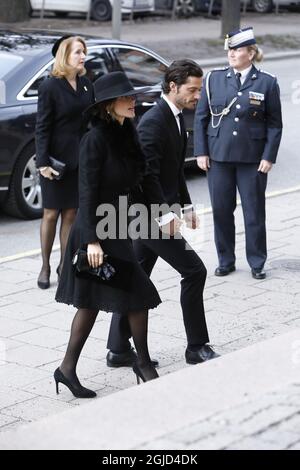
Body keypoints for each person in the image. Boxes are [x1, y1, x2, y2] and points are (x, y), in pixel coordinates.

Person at [55, 72, 161, 398]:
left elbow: (140, 179)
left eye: (132, 97)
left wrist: (162, 214)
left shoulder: (125, 131)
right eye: (127, 97)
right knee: (138, 295)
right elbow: (85, 192)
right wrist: (90, 241)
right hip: (96, 232)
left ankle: (66, 370)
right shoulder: (95, 139)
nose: (134, 101)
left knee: (91, 304)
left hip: (115, 226)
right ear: (108, 105)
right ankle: (142, 365)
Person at [107, 60, 219, 369]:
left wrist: (185, 205)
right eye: (192, 90)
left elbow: (173, 170)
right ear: (173, 86)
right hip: (148, 217)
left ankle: (117, 349)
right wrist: (165, 216)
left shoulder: (176, 116)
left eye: (199, 89)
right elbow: (146, 175)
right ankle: (196, 347)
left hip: (157, 214)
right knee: (195, 272)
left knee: (135, 276)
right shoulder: (155, 121)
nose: (198, 95)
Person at [194, 27, 282, 280]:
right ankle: (226, 260)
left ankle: (256, 262)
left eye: (237, 49)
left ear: (251, 53)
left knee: (254, 213)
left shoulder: (267, 82)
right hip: (219, 157)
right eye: (230, 49)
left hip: (252, 160)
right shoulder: (214, 79)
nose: (231, 54)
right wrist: (201, 151)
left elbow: (274, 124)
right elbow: (201, 118)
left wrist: (268, 156)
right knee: (221, 211)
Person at [35, 35, 94, 289]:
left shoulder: (86, 84)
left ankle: (63, 266)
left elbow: (90, 122)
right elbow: (42, 127)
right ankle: (45, 265)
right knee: (50, 214)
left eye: (83, 52)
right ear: (65, 56)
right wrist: (43, 162)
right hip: (54, 162)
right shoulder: (50, 86)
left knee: (71, 213)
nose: (82, 56)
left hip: (79, 160)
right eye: (77, 52)